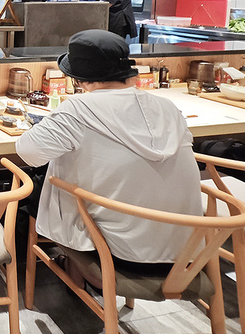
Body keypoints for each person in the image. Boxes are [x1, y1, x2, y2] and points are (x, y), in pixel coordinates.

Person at [15, 30, 201, 277]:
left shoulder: (79, 109)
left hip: (115, 254)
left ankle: (34, 268)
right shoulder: (167, 107)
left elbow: (28, 152)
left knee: (32, 184)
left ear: (81, 80)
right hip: (186, 253)